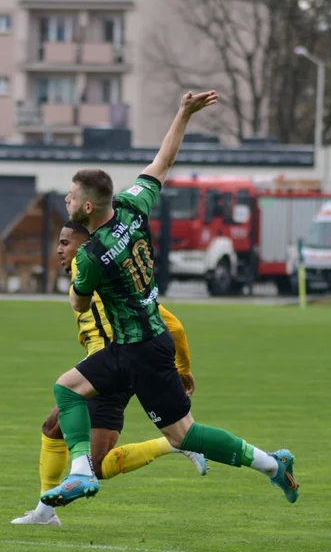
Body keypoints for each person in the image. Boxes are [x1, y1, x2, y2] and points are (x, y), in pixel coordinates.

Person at [43, 91, 299, 508]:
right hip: (136, 343)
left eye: (71, 197)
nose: (67, 201)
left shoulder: (89, 256)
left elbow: (79, 305)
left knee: (185, 436)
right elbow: (163, 163)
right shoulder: (131, 206)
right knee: (67, 389)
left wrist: (73, 282)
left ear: (87, 206)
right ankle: (79, 474)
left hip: (139, 350)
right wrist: (183, 113)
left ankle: (274, 464)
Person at [13, 221, 207, 527]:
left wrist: (182, 370)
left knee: (90, 459)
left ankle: (175, 443)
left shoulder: (103, 280)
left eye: (66, 243)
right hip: (102, 368)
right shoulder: (85, 280)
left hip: (111, 373)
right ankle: (45, 513)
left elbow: (174, 326)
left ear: (85, 245)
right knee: (57, 431)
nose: (59, 250)